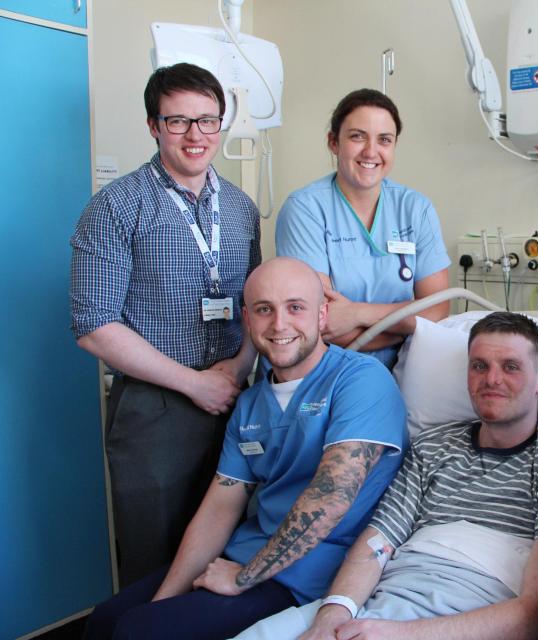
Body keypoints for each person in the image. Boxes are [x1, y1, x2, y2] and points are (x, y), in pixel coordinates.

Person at [83, 258, 408, 640]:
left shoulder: (360, 380)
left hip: (309, 571)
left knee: (140, 631)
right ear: (247, 319)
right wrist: (165, 599)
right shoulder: (251, 404)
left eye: (295, 307)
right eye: (264, 309)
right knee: (107, 620)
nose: (280, 324)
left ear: (322, 315)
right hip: (246, 553)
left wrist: (244, 576)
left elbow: (333, 497)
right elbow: (220, 508)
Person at [233, 311, 538, 640]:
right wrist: (332, 615)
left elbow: (530, 615)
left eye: (511, 367)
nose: (492, 379)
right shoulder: (432, 446)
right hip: (383, 599)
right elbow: (379, 541)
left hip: (464, 616)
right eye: (479, 365)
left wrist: (399, 633)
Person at [70, 62, 261, 586]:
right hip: (156, 405)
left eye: (207, 120)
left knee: (234, 548)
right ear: (154, 126)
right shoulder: (115, 207)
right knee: (156, 555)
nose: (195, 135)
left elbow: (255, 305)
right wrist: (195, 384)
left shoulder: (242, 208)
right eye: (178, 121)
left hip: (235, 395)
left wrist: (237, 367)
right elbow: (93, 325)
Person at [275, 88, 451, 368]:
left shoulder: (416, 208)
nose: (371, 151)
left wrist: (357, 313)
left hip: (405, 370)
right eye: (357, 136)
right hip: (324, 370)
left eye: (384, 140)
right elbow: (321, 323)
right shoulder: (305, 209)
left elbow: (439, 309)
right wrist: (406, 325)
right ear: (334, 142)